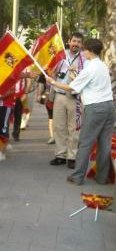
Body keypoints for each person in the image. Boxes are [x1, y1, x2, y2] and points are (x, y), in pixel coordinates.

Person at [46, 38, 114, 185]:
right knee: (104, 144)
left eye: (84, 50)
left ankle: (77, 177)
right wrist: (75, 75)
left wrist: (52, 82)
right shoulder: (102, 65)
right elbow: (87, 83)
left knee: (84, 143)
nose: (82, 52)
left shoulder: (90, 68)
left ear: (89, 51)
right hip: (109, 106)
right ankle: (102, 178)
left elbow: (71, 88)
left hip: (95, 108)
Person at [50, 33, 85, 169]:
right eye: (74, 41)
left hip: (75, 97)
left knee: (74, 129)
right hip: (59, 95)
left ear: (82, 45)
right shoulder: (60, 56)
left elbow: (87, 75)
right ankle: (60, 155)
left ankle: (72, 157)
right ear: (69, 42)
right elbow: (52, 73)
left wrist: (78, 70)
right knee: (58, 127)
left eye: (79, 42)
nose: (76, 44)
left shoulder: (84, 59)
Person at [37, 74, 55, 144]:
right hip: (49, 97)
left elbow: (40, 84)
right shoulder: (44, 71)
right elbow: (41, 84)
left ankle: (54, 136)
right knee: (51, 117)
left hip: (57, 96)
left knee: (52, 117)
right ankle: (53, 136)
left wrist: (39, 95)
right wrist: (39, 95)